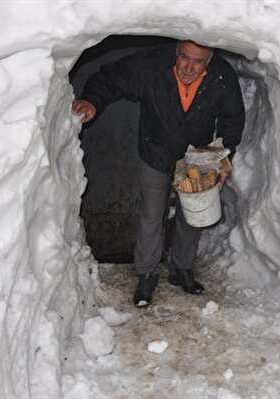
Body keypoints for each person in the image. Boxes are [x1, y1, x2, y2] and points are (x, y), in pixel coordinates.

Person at [72, 40, 245, 307]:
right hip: (155, 151)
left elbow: (232, 119)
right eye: (184, 58)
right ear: (176, 53)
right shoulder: (151, 66)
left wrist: (222, 158)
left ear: (209, 61)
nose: (189, 67)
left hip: (194, 156)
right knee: (151, 214)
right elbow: (111, 77)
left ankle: (182, 269)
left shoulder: (222, 77)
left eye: (198, 61)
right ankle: (146, 274)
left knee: (193, 212)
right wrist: (92, 100)